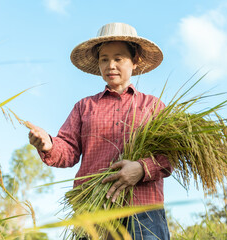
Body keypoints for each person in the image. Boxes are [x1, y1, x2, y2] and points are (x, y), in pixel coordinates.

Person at [28, 22, 172, 239]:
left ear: (135, 61)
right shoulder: (84, 107)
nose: (110, 65)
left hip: (143, 210)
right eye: (104, 59)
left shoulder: (153, 106)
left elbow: (170, 155)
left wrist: (142, 169)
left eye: (118, 58)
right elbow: (68, 151)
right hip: (94, 211)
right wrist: (48, 144)